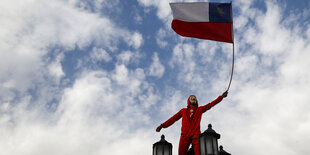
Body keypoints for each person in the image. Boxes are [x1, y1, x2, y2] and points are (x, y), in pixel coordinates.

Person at [156, 91, 228, 155]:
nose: (194, 98)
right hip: (184, 134)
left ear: (196, 101)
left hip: (196, 134)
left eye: (195, 97)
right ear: (189, 101)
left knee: (200, 152)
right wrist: (162, 125)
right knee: (181, 153)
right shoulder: (183, 111)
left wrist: (221, 97)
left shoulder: (200, 109)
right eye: (192, 97)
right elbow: (173, 119)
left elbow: (211, 104)